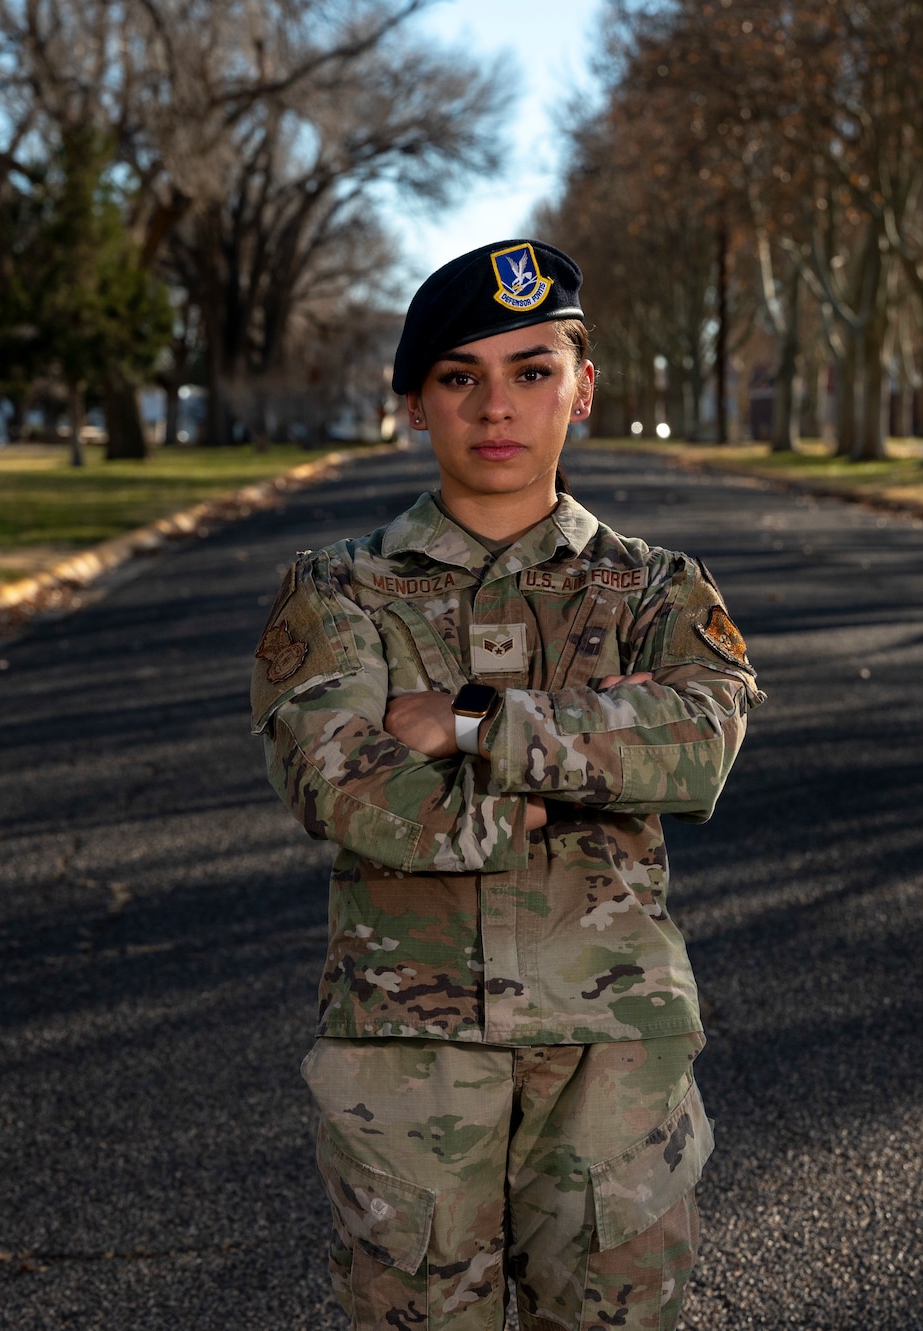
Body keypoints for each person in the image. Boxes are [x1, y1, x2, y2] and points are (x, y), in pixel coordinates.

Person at [250, 239, 762, 1330]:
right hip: (407, 1058)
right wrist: (566, 776)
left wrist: (475, 718)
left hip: (611, 1050)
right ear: (412, 404)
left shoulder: (653, 588)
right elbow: (335, 779)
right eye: (458, 376)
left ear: (581, 391)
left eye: (531, 371)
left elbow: (699, 742)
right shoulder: (338, 587)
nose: (496, 406)